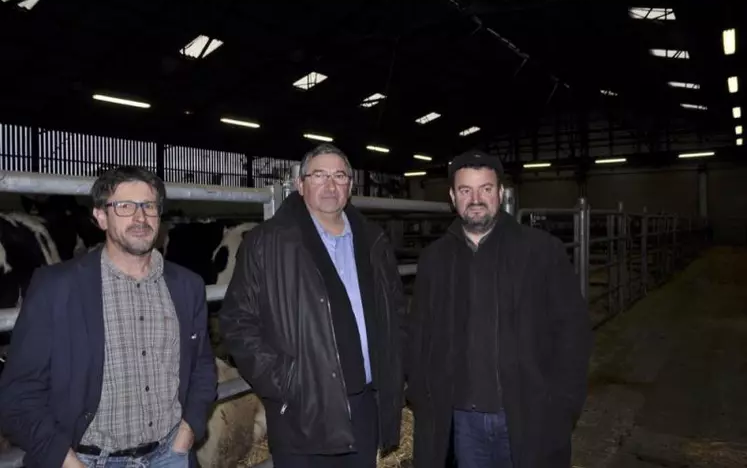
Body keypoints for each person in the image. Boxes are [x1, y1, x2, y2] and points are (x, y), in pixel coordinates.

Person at [0, 166, 217, 468]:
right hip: (87, 459)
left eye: (149, 206)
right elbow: (18, 394)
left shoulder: (188, 286)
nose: (140, 218)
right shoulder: (56, 288)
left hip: (171, 455)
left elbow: (202, 368)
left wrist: (187, 432)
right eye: (125, 206)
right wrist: (66, 460)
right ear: (101, 216)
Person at [219, 143, 406, 468]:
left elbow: (396, 312)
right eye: (319, 175)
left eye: (339, 176)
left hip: (364, 403)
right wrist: (285, 381)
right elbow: (237, 321)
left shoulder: (374, 241)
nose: (330, 185)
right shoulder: (267, 243)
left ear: (350, 185)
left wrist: (394, 368)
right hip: (302, 409)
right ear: (301, 184)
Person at [407, 150, 592, 468]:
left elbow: (573, 333)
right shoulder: (434, 260)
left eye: (486, 188)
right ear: (453, 197)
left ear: (501, 193)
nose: (475, 198)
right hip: (463, 421)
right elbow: (419, 333)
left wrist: (563, 406)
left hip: (529, 415)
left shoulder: (542, 252)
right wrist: (422, 398)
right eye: (465, 190)